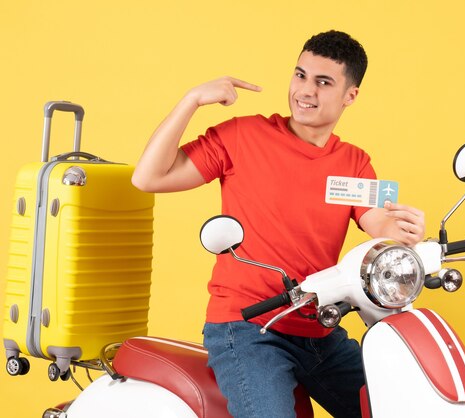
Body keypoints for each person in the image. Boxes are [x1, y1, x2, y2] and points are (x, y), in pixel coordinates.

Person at [132, 30, 425, 418]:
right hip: (248, 329)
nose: (305, 91)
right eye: (300, 75)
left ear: (350, 95)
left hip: (320, 328)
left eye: (323, 82)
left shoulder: (353, 164)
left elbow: (377, 222)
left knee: (397, 408)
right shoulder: (242, 136)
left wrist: (402, 230)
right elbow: (147, 178)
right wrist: (192, 101)